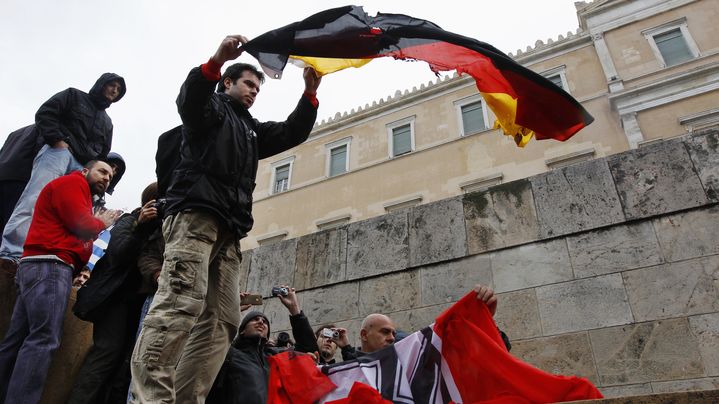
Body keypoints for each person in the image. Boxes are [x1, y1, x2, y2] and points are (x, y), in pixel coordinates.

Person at [130, 34, 321, 403]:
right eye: (247, 83)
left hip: (230, 232)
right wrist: (216, 59)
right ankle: (151, 398)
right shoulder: (211, 111)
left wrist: (309, 93)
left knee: (223, 319)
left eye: (257, 87)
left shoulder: (251, 130)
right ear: (227, 83)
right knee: (180, 303)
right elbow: (190, 99)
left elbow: (292, 132)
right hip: (196, 218)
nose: (253, 91)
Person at [0, 160, 119, 404]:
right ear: (85, 171)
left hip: (39, 267)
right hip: (51, 267)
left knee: (17, 339)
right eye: (102, 171)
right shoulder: (73, 183)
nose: (107, 178)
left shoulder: (81, 194)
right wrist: (101, 224)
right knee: (44, 339)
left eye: (110, 176)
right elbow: (83, 226)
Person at [0, 73, 126, 273]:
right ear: (102, 84)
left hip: (83, 168)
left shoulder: (107, 122)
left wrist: (93, 169)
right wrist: (58, 141)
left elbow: (103, 151)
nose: (114, 90)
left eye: (118, 90)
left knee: (70, 215)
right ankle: (11, 254)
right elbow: (46, 113)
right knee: (34, 199)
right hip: (59, 152)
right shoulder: (73, 95)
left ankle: (39, 257)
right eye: (112, 85)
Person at [68, 183, 160, 404]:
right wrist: (140, 225)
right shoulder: (130, 220)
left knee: (127, 362)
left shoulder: (163, 228)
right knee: (106, 354)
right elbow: (120, 254)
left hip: (140, 303)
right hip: (115, 299)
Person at [206, 286, 319, 404]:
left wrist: (294, 309)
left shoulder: (276, 357)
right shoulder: (229, 354)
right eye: (254, 319)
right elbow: (207, 339)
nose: (260, 322)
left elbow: (308, 349)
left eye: (264, 321)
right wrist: (231, 312)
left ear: (267, 335)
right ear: (242, 330)